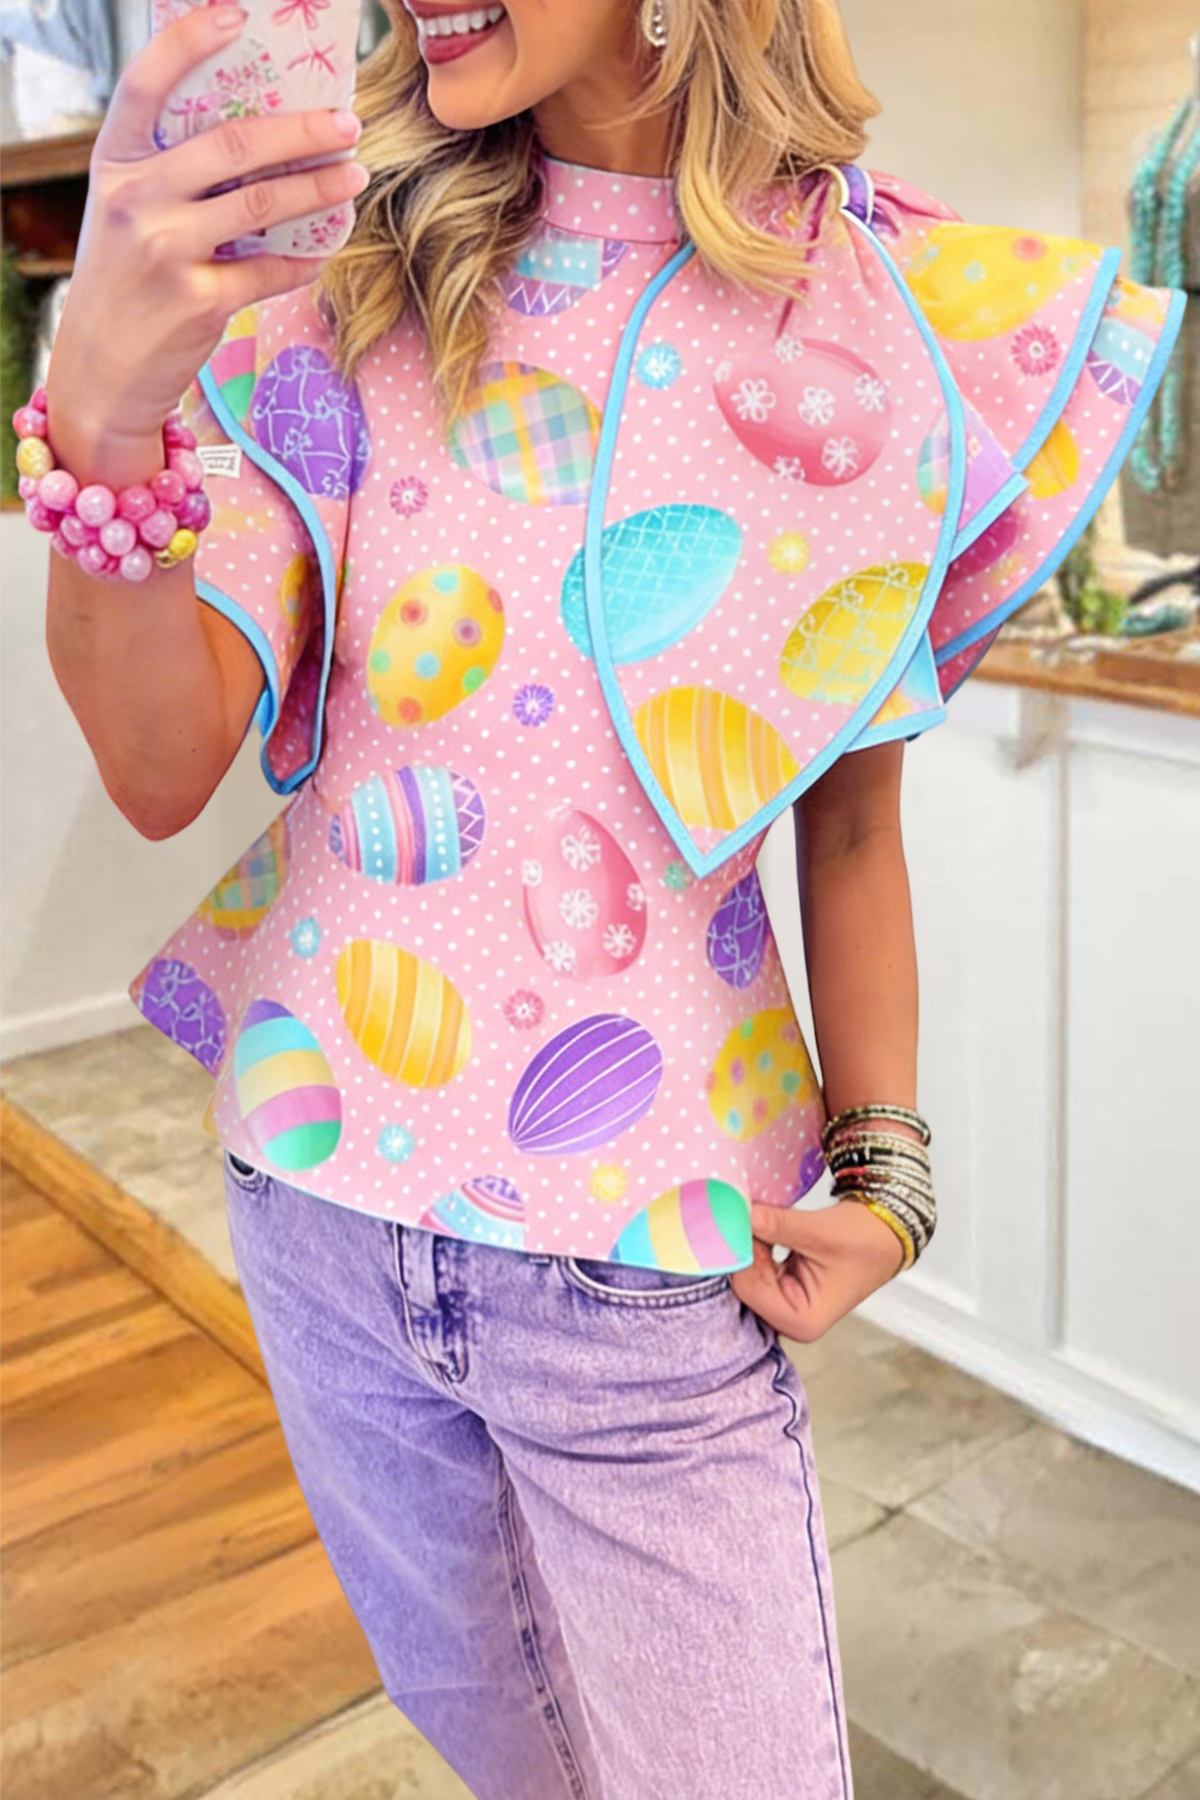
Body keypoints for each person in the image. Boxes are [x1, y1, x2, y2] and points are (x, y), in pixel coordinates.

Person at [20, 2, 1181, 1795]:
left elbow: (847, 826)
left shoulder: (878, 320)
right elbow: (162, 763)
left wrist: (886, 1167)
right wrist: (104, 417)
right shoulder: (345, 284)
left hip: (641, 1263)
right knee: (508, 1759)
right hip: (316, 1207)